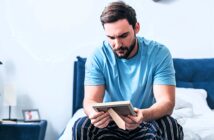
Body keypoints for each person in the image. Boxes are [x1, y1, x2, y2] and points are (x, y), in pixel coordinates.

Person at [73, 1, 183, 140]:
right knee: (81, 125)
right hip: (110, 123)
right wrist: (93, 114)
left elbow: (166, 102)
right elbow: (90, 100)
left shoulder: (159, 54)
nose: (117, 44)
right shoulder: (98, 57)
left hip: (145, 120)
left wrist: (143, 115)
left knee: (169, 124)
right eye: (111, 38)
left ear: (136, 27)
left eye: (123, 36)